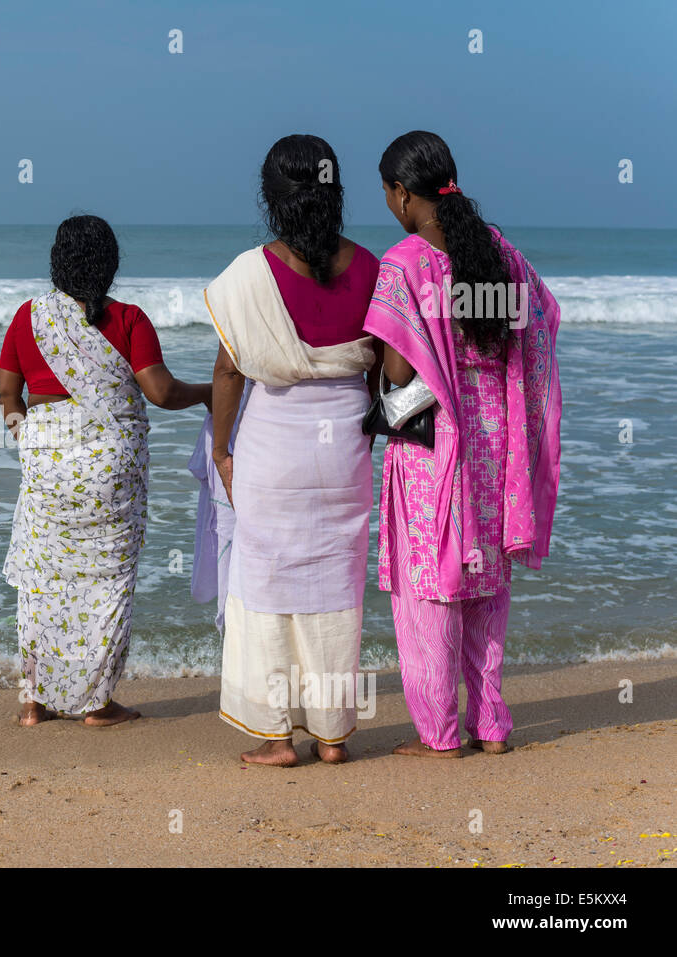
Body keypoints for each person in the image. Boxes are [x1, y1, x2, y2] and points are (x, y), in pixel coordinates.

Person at [364, 130, 562, 758]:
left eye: (387, 193)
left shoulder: (406, 263)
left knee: (431, 587)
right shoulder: (501, 253)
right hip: (494, 440)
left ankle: (440, 734)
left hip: (433, 447)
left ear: (401, 193)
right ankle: (493, 725)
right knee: (483, 582)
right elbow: (543, 320)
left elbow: (398, 375)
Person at [0, 215, 211, 727]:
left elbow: (9, 393)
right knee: (108, 582)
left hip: (47, 463)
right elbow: (160, 392)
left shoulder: (29, 317)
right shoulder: (128, 319)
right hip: (109, 469)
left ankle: (33, 703)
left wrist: (29, 439)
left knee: (42, 579)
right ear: (110, 264)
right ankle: (97, 704)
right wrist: (213, 392)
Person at [206, 135, 378, 766]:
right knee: (337, 585)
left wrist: (223, 450)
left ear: (271, 198)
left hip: (272, 451)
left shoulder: (249, 274)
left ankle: (277, 739)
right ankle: (332, 735)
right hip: (345, 452)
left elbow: (229, 375)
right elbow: (386, 372)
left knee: (267, 588)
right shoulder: (369, 268)